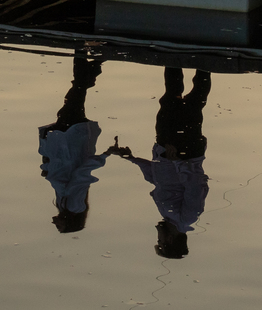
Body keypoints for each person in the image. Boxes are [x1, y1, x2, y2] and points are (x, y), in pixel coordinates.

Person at [107, 68, 211, 258]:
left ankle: (173, 60)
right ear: (170, 240)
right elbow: (195, 185)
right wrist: (178, 161)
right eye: (160, 241)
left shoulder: (168, 214)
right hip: (184, 151)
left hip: (165, 149)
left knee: (170, 99)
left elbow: (158, 179)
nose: (158, 237)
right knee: (194, 103)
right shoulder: (188, 217)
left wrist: (131, 158)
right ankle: (204, 64)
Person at [38, 52, 109, 233]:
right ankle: (86, 55)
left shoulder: (63, 206)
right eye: (60, 227)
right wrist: (104, 156)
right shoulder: (75, 207)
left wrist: (47, 169)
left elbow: (63, 178)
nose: (55, 223)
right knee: (76, 93)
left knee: (77, 92)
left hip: (64, 142)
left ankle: (91, 61)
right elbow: (80, 177)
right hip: (71, 141)